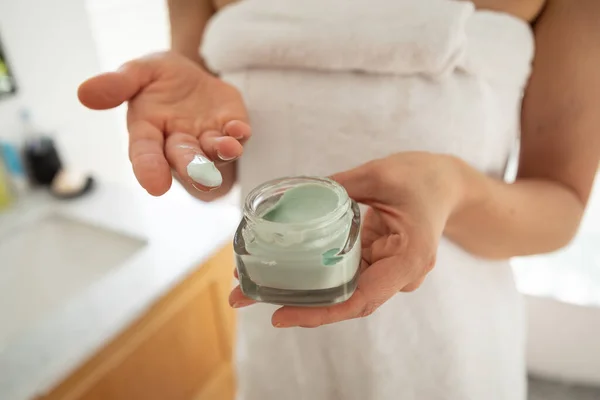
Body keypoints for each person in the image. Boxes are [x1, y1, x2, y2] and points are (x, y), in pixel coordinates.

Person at [78, 0, 600, 399]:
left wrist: (454, 189)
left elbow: (560, 206)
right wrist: (192, 148)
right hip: (283, 335)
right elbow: (216, 177)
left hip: (448, 351)